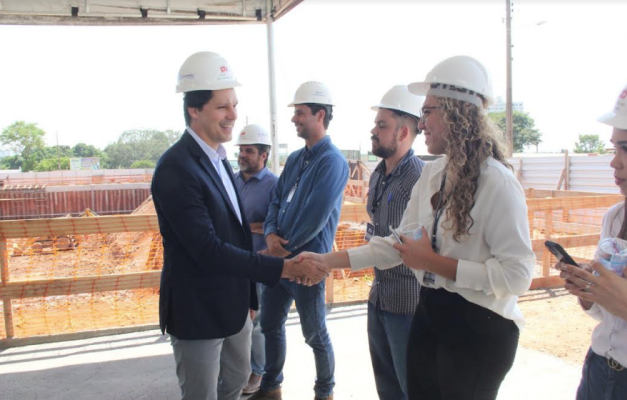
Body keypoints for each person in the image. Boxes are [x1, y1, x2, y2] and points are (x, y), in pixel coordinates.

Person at [301, 56, 535, 400]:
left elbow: (517, 277)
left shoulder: (497, 182)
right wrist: (325, 261)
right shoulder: (433, 174)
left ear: (459, 113)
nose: (422, 123)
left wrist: (433, 263)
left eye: (428, 112)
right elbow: (395, 245)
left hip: (481, 326)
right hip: (431, 311)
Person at [151, 52, 326, 400]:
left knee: (235, 383)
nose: (233, 115)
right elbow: (207, 249)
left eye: (234, 105)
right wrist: (283, 267)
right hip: (198, 311)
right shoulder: (176, 168)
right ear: (194, 110)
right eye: (222, 107)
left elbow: (239, 235)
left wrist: (248, 298)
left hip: (234, 308)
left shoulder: (217, 160)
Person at [250, 82, 349, 400]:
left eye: (300, 113)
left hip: (308, 264)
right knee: (269, 324)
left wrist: (282, 249)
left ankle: (325, 392)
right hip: (280, 260)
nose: (294, 119)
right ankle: (271, 386)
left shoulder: (332, 162)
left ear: (320, 115)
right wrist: (270, 235)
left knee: (314, 333)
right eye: (295, 113)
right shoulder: (294, 159)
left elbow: (315, 217)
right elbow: (276, 202)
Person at [556, 83, 627, 399]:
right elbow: (604, 315)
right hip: (599, 368)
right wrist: (587, 291)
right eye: (615, 148)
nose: (615, 163)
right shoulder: (614, 216)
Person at [364, 85, 424, 400]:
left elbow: (404, 246)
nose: (373, 131)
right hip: (379, 297)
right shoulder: (377, 174)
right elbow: (374, 228)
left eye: (382, 125)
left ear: (402, 132)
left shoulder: (419, 178)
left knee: (410, 385)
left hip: (407, 303)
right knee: (386, 386)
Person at [233, 124, 279, 395]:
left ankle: (258, 372)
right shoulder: (232, 180)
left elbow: (278, 224)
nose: (243, 155)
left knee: (259, 321)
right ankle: (238, 368)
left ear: (263, 155)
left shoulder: (274, 185)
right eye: (241, 150)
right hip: (234, 261)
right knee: (238, 318)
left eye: (249, 151)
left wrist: (244, 227)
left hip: (261, 261)